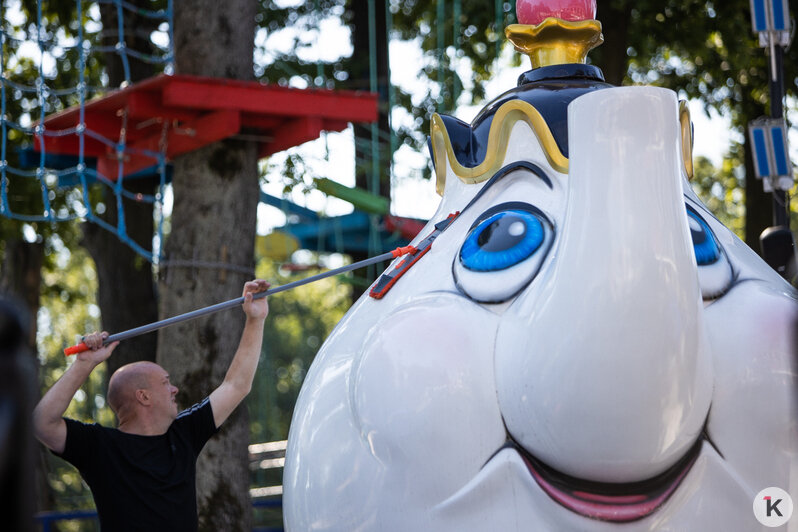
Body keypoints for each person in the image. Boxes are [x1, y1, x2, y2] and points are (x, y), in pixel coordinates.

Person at [32, 279, 270, 532]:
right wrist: (84, 364)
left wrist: (255, 319)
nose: (174, 388)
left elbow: (236, 385)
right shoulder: (100, 448)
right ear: (143, 397)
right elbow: (42, 422)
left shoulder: (184, 434)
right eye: (165, 382)